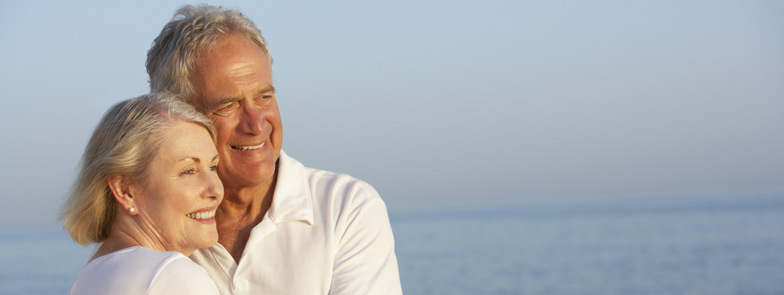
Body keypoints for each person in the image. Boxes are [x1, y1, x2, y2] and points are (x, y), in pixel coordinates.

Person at [146, 4, 402, 294]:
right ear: (178, 116)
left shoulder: (345, 209)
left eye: (264, 97)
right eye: (228, 105)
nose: (256, 124)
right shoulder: (154, 224)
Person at [61, 93, 224, 295]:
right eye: (188, 171)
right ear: (125, 190)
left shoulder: (88, 278)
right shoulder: (172, 275)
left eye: (213, 167)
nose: (215, 190)